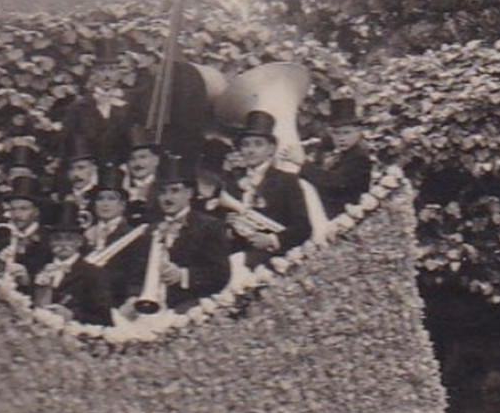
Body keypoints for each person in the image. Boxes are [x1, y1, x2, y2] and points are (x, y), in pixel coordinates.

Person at [134, 154, 231, 313]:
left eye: (175, 191)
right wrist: (134, 296)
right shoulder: (150, 230)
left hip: (189, 307)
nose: (168, 198)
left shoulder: (210, 226)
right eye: (163, 192)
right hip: (148, 309)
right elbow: (136, 274)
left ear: (190, 193)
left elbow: (220, 275)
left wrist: (182, 276)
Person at [221, 110, 314, 268]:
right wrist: (226, 226)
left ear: (271, 149)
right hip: (233, 252)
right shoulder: (233, 179)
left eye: (258, 144)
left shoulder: (287, 180)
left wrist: (272, 240)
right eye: (246, 144)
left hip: (268, 258)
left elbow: (303, 228)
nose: (251, 150)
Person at [31, 201, 114, 326]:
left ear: (79, 242)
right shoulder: (38, 269)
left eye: (70, 239)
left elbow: (105, 320)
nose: (63, 244)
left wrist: (73, 316)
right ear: (50, 243)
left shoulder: (94, 274)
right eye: (57, 238)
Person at [83, 166, 151, 309]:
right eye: (100, 199)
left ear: (122, 205)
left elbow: (137, 275)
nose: (105, 204)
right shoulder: (85, 234)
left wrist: (131, 300)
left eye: (111, 198)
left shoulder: (135, 236)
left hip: (120, 304)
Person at [0, 173, 52, 295]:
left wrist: (28, 281)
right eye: (13, 209)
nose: (17, 215)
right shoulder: (0, 234)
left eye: (23, 209)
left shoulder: (47, 240)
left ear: (36, 211)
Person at [302, 96, 375, 218]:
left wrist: (303, 164)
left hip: (343, 217)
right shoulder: (329, 150)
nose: (341, 138)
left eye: (347, 132)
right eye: (336, 133)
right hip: (321, 210)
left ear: (358, 132)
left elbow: (334, 181)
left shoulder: (359, 157)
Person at [122, 125, 162, 217]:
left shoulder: (163, 188)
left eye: (143, 157)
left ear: (156, 160)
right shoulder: (122, 189)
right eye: (132, 159)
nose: (138, 163)